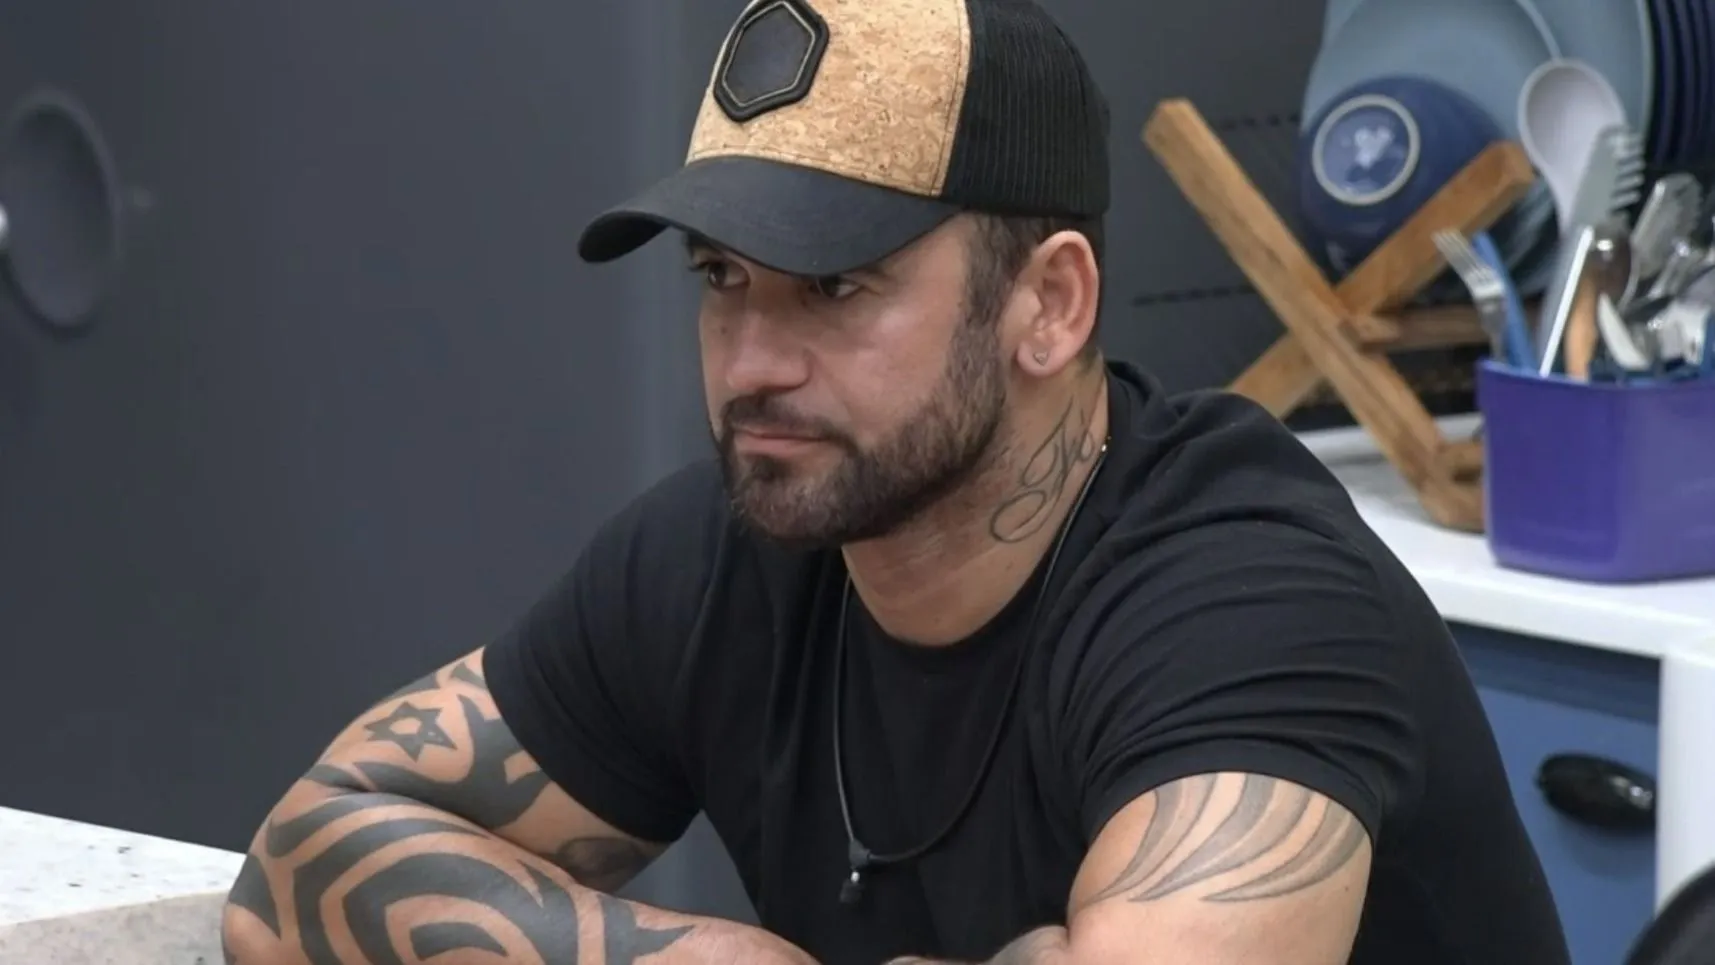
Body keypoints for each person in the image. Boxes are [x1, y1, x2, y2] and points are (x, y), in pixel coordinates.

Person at [222, 0, 1572, 963]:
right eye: (721, 280)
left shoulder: (1241, 602)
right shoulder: (736, 550)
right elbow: (295, 868)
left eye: (835, 287)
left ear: (1048, 305)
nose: (752, 364)